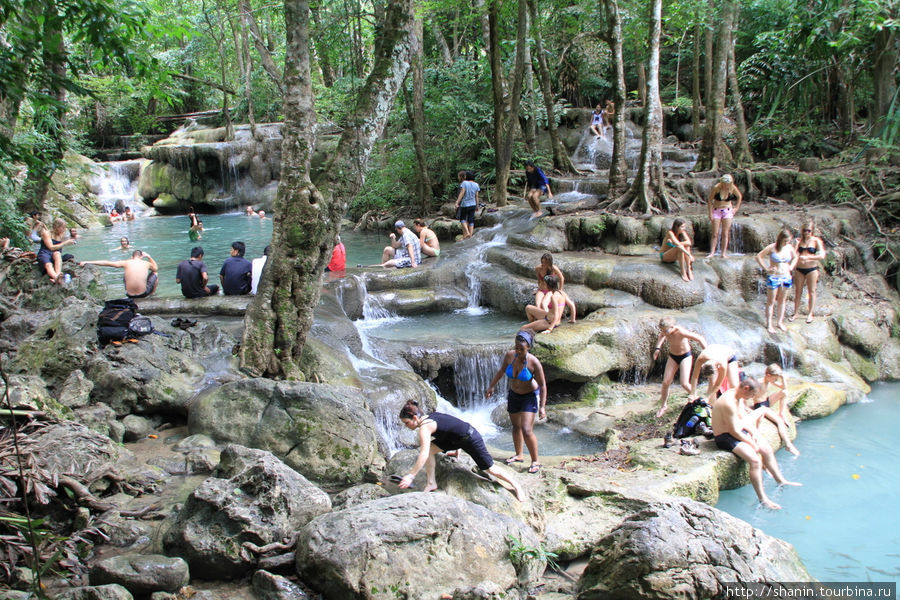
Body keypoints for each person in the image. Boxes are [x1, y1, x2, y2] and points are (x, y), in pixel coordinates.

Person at [397, 400, 525, 501]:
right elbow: (452, 426)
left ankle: (515, 485)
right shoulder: (429, 417)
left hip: (470, 438)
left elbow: (423, 454)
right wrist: (457, 449)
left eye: (407, 423)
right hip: (456, 440)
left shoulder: (425, 428)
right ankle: (431, 483)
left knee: (489, 469)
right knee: (430, 449)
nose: (406, 426)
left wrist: (411, 475)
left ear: (415, 418)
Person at [711, 377, 801, 510]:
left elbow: (742, 421)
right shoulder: (728, 402)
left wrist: (754, 434)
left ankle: (780, 480)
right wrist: (751, 443)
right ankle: (763, 499)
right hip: (725, 436)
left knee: (766, 448)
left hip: (737, 430)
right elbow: (733, 431)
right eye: (752, 394)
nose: (753, 398)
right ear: (746, 388)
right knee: (755, 461)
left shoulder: (739, 397)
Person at [485, 329, 547, 475]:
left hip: (529, 396)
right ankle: (519, 454)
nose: (518, 351)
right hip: (514, 395)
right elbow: (501, 371)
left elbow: (543, 385)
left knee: (526, 429)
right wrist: (491, 386)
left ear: (529, 347)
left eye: (522, 349)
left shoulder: (534, 363)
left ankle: (535, 460)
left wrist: (542, 407)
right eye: (516, 348)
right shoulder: (510, 356)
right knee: (516, 426)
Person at [653, 316, 708, 418]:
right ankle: (663, 406)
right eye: (662, 331)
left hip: (685, 356)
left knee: (684, 383)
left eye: (665, 331)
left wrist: (707, 352)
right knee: (666, 382)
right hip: (673, 356)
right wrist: (657, 348)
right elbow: (661, 336)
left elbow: (699, 338)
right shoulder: (665, 331)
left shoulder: (681, 332)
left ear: (672, 327)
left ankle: (698, 399)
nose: (663, 333)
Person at [745, 365, 799, 457]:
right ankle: (788, 445)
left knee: (784, 392)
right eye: (774, 379)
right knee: (779, 422)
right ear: (768, 375)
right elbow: (746, 396)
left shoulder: (768, 380)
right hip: (760, 406)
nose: (775, 381)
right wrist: (748, 409)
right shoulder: (758, 383)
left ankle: (782, 413)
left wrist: (782, 378)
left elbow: (784, 388)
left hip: (767, 401)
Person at [756, 228, 798, 333]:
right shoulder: (772, 247)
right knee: (771, 301)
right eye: (785, 241)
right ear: (780, 239)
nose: (787, 243)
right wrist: (766, 268)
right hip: (774, 277)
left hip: (786, 276)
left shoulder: (789, 247)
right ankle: (769, 324)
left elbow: (796, 257)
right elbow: (758, 256)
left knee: (782, 300)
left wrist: (791, 266)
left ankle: (779, 322)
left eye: (788, 241)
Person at [79, 250, 159, 299]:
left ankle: (132, 291)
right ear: (141, 256)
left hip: (129, 295)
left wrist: (88, 261)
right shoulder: (146, 263)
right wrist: (149, 257)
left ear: (132, 257)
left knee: (126, 274)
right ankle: (152, 294)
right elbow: (155, 268)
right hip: (143, 294)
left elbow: (106, 262)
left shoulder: (126, 262)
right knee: (155, 273)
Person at [791, 219, 825, 324]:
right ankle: (795, 313)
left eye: (809, 231)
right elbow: (794, 254)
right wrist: (796, 245)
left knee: (812, 291)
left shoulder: (816, 241)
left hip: (812, 269)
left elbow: (822, 255)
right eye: (805, 230)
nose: (807, 233)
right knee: (798, 291)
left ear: (812, 231)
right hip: (799, 269)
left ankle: (810, 313)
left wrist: (809, 258)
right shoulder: (799, 241)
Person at [707, 174, 743, 258]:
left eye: (728, 183)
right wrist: (710, 213)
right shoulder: (716, 187)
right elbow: (709, 200)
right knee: (715, 233)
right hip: (716, 210)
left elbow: (739, 196)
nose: (726, 185)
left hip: (727, 210)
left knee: (725, 233)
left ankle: (723, 253)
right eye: (725, 183)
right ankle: (712, 252)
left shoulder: (732, 188)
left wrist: (736, 208)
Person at [36, 218, 76, 284]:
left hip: (55, 254)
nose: (64, 229)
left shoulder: (61, 234)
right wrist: (65, 243)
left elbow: (59, 248)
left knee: (58, 253)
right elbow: (51, 247)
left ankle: (58, 276)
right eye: (63, 227)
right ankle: (55, 277)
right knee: (48, 265)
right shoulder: (46, 233)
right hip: (45, 253)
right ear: (57, 227)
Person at [455, 171, 480, 239]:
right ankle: (471, 235)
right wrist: (477, 206)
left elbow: (462, 193)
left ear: (467, 177)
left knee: (462, 219)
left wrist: (457, 202)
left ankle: (467, 233)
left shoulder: (464, 183)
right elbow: (476, 196)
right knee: (471, 220)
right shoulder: (476, 184)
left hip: (465, 204)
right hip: (473, 204)